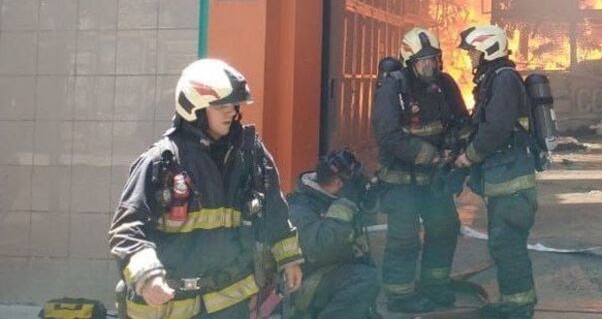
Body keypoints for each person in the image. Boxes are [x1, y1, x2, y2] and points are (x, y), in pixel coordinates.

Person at [109, 59, 303, 318]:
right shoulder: (161, 161)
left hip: (228, 302)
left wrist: (288, 259)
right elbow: (127, 229)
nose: (232, 112)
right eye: (221, 105)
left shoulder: (249, 155)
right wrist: (148, 277)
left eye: (234, 105)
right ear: (194, 109)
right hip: (170, 306)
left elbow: (274, 211)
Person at [371, 27, 469, 313]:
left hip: (436, 179)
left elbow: (461, 120)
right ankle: (399, 296)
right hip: (401, 180)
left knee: (444, 229)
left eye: (433, 58)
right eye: (422, 60)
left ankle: (435, 286)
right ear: (409, 61)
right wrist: (426, 153)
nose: (429, 65)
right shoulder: (393, 88)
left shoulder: (446, 84)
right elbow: (387, 134)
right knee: (404, 238)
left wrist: (456, 147)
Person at [455, 25, 537, 319]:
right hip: (504, 178)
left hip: (512, 182)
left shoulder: (503, 80)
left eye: (474, 52)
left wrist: (470, 155)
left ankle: (518, 308)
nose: (471, 58)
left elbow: (497, 128)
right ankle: (512, 303)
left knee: (508, 245)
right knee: (503, 244)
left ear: (489, 49)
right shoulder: (495, 79)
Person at [287, 150, 380, 318]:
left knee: (364, 278)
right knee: (364, 279)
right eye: (355, 181)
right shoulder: (299, 208)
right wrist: (346, 203)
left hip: (332, 275)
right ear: (338, 182)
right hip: (304, 283)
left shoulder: (331, 198)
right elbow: (323, 249)